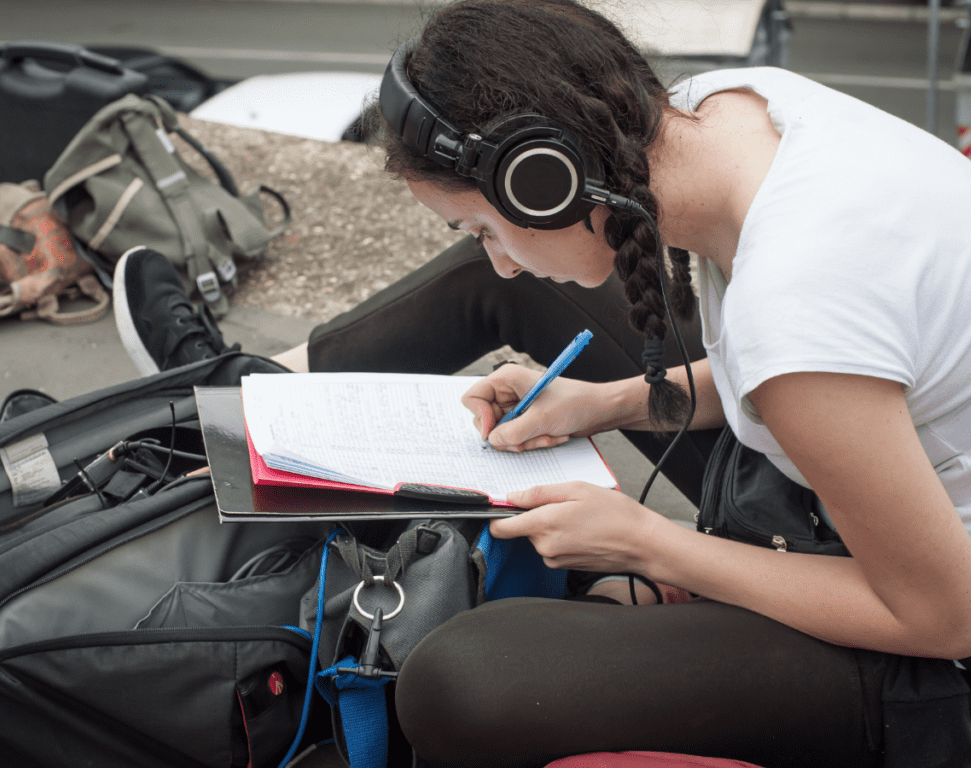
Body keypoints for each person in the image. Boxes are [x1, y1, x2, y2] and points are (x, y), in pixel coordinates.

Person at [113, 0, 971, 764]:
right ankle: (252, 394)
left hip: (925, 642)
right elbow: (820, 381)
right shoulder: (733, 108)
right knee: (499, 286)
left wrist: (648, 544)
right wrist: (609, 401)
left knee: (465, 683)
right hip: (832, 485)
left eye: (482, 226)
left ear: (545, 178)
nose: (498, 257)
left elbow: (940, 614)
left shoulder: (799, 302)